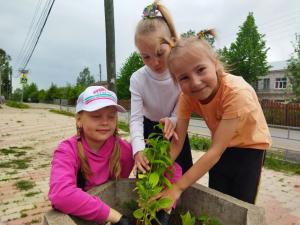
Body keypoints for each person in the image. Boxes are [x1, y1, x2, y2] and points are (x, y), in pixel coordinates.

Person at [154, 30, 272, 207]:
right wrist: (157, 172)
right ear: (176, 81)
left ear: (215, 63)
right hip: (222, 144)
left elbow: (214, 152)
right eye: (184, 77)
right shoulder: (187, 97)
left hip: (251, 147)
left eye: (200, 70)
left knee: (240, 203)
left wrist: (177, 188)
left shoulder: (236, 92)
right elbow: (177, 143)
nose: (195, 82)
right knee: (217, 196)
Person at [48, 86, 134, 225]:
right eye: (96, 116)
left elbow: (118, 188)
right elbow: (60, 195)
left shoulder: (125, 151)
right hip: (83, 217)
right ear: (79, 120)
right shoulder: (67, 150)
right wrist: (117, 217)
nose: (105, 122)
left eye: (111, 116)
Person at [130, 1, 193, 175]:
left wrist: (172, 122)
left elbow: (181, 108)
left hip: (176, 131)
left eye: (160, 53)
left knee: (181, 181)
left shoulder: (181, 73)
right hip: (148, 133)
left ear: (172, 42)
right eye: (146, 57)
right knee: (148, 182)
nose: (154, 63)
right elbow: (135, 119)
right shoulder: (137, 79)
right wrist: (138, 149)